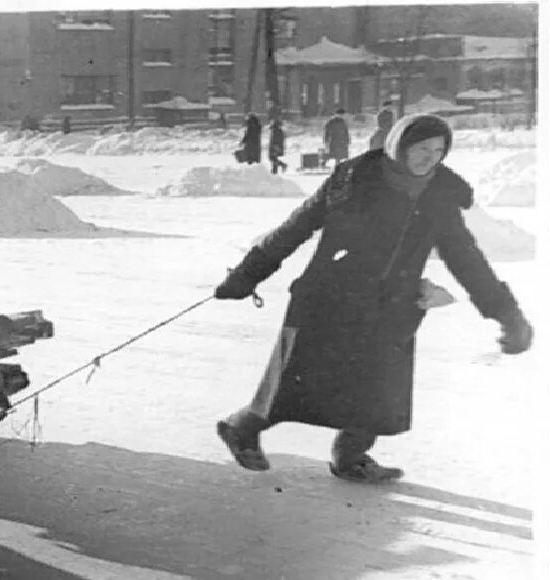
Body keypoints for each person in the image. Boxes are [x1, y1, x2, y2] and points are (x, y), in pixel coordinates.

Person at [212, 113, 534, 483]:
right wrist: (244, 276)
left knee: (380, 388)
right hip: (331, 296)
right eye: (421, 148)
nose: (429, 158)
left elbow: (467, 259)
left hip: (392, 303)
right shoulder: (352, 180)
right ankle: (242, 427)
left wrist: (507, 314)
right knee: (296, 380)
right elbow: (294, 229)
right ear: (399, 145)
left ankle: (351, 456)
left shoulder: (440, 196)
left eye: (438, 150)